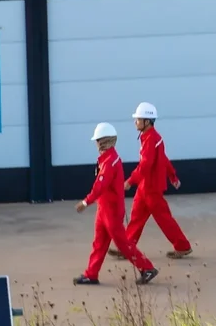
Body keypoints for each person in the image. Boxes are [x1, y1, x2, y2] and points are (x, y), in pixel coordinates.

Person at [75, 123, 155, 285]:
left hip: (111, 211)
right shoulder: (107, 159)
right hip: (104, 209)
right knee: (99, 243)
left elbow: (100, 186)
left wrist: (86, 201)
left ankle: (147, 268)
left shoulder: (110, 162)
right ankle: (91, 274)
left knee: (123, 243)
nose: (96, 144)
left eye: (98, 140)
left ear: (104, 141)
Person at [125, 102, 192, 259]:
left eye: (138, 119)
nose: (135, 122)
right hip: (145, 186)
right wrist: (172, 176)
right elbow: (164, 159)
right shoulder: (151, 137)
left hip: (151, 187)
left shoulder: (151, 139)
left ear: (147, 121)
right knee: (136, 217)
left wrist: (130, 180)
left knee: (163, 218)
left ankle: (182, 246)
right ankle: (126, 246)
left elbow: (145, 165)